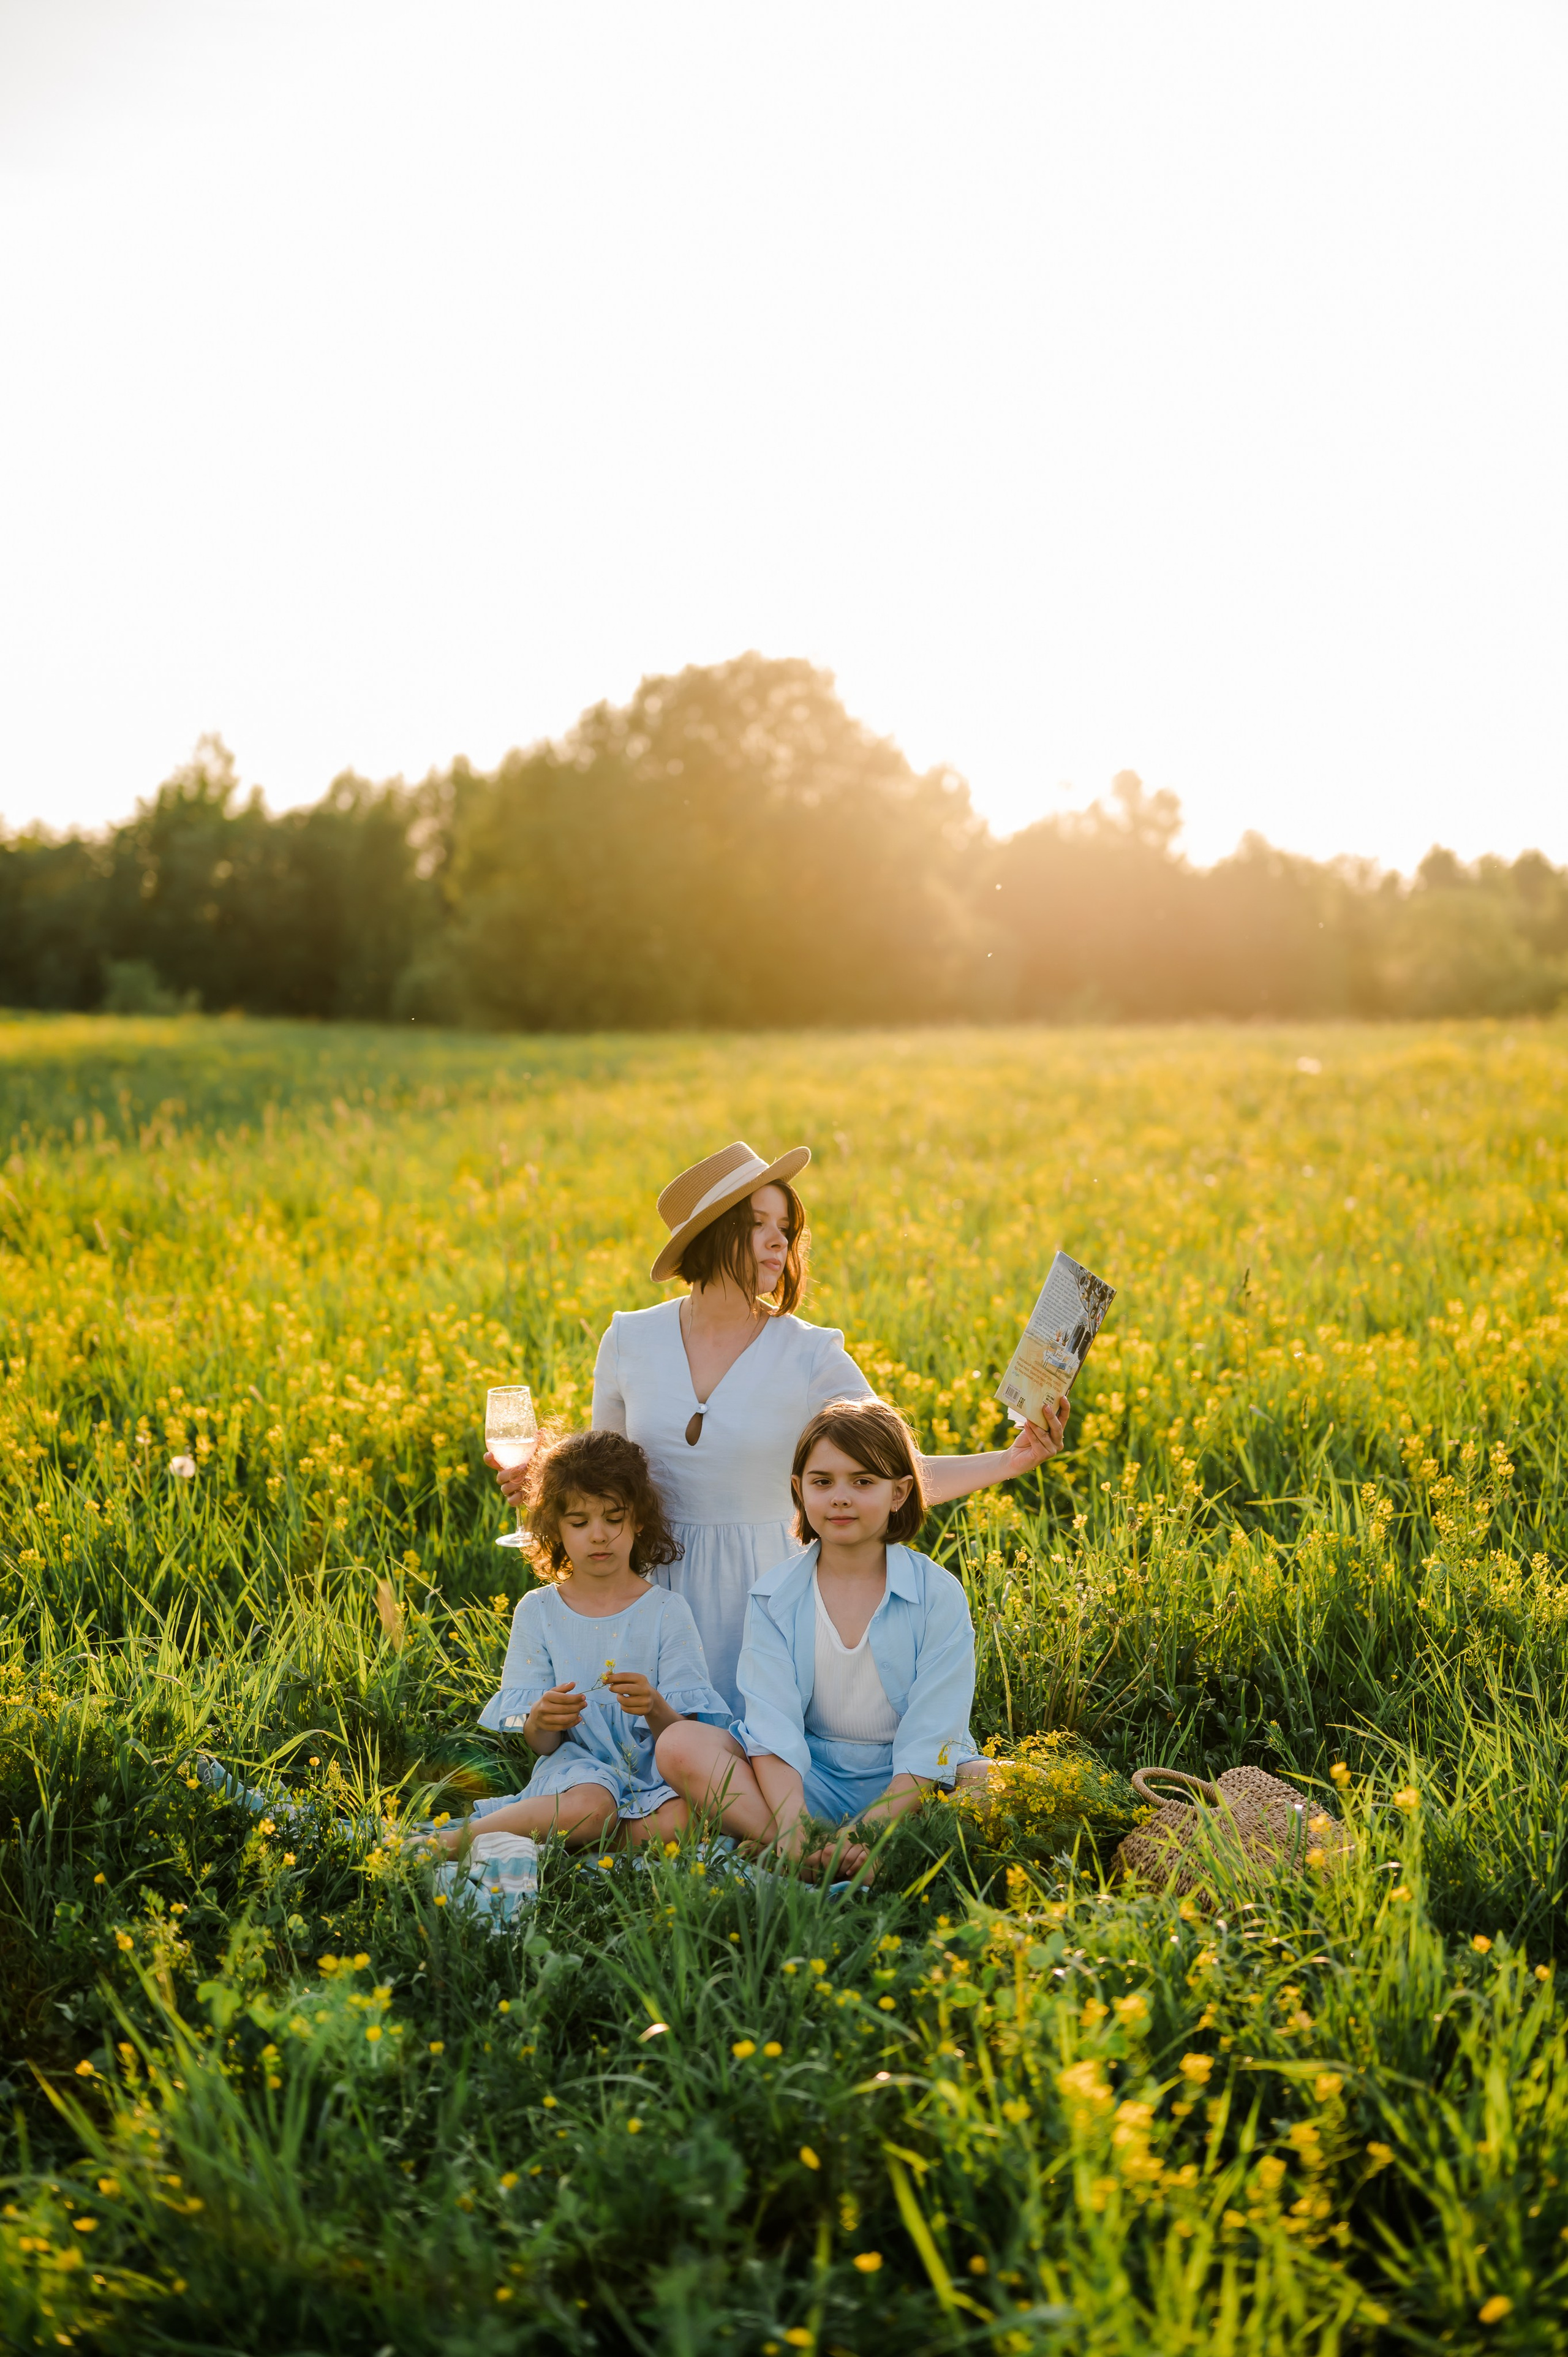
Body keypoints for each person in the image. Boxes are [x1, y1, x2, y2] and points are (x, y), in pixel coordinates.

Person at [491, 1140, 1070, 1711]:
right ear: (711, 1233)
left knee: (756, 1766)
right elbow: (608, 1483)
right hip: (652, 1592)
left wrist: (1010, 1460)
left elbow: (892, 1476)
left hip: (769, 1598)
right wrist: (542, 1477)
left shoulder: (811, 1354)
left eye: (787, 1227)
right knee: (653, 1771)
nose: (780, 1241)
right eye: (758, 1223)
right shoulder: (628, 1339)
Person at [654, 1396, 991, 1879]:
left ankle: (858, 1850)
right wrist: (795, 1826)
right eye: (822, 1482)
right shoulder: (775, 1595)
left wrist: (870, 1828)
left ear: (899, 1493)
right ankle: (805, 1851)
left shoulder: (936, 1594)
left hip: (915, 1781)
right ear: (799, 1490)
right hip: (813, 1777)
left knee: (1012, 1786)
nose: (840, 1497)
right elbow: (772, 1729)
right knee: (680, 1744)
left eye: (863, 1482)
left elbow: (934, 1734)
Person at [442, 1430, 730, 1856]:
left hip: (653, 1774)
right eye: (579, 1523)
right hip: (577, 1774)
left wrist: (654, 1706)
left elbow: (682, 1738)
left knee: (689, 1819)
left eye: (614, 1518)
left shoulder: (668, 1610)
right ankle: (456, 1841)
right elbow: (542, 1744)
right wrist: (541, 1718)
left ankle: (572, 1833)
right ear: (555, 1528)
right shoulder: (539, 1610)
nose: (599, 1535)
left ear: (638, 1521)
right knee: (593, 1807)